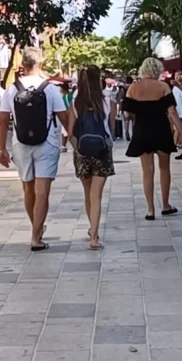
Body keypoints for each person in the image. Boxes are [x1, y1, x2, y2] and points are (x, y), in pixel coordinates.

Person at [0, 47, 69, 251]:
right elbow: (63, 117)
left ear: (22, 65)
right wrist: (73, 138)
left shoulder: (12, 89)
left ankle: (35, 228)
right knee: (42, 191)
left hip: (20, 145)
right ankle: (36, 237)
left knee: (28, 189)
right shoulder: (50, 89)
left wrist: (1, 149)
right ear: (41, 64)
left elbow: (3, 121)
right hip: (47, 143)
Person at [123, 57, 182, 219]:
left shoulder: (133, 88)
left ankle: (150, 210)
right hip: (161, 130)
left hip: (142, 131)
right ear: (157, 70)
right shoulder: (163, 87)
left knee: (147, 171)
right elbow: (172, 112)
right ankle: (165, 205)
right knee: (164, 168)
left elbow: (127, 113)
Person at [69, 66, 115, 250]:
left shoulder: (75, 100)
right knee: (97, 195)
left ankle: (91, 227)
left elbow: (70, 130)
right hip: (102, 151)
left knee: (88, 194)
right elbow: (111, 128)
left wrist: (75, 146)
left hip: (82, 150)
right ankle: (94, 237)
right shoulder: (106, 100)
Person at [117, 76, 133, 140]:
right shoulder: (134, 87)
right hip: (133, 105)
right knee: (133, 120)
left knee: (126, 120)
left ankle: (126, 132)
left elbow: (121, 98)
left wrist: (120, 109)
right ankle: (133, 133)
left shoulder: (123, 88)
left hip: (125, 105)